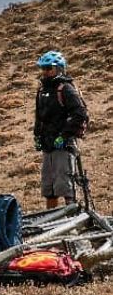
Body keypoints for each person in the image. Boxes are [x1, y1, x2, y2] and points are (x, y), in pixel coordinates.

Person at [34, 50, 89, 209]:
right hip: (48, 145)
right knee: (49, 188)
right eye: (43, 68)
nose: (45, 71)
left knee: (65, 186)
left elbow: (80, 114)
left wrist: (64, 136)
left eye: (48, 68)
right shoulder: (42, 90)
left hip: (63, 146)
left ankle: (72, 222)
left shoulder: (65, 89)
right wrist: (37, 136)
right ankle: (52, 222)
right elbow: (39, 116)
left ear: (59, 68)